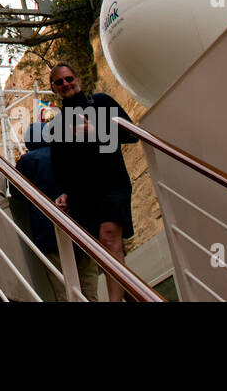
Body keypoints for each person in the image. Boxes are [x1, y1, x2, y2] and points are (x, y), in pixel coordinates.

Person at [47, 62, 139, 302]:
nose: (66, 84)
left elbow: (131, 134)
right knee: (107, 253)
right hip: (82, 196)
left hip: (112, 185)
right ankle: (140, 296)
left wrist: (97, 130)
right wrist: (63, 193)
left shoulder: (101, 103)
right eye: (60, 81)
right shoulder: (56, 126)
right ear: (54, 88)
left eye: (68, 78)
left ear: (77, 78)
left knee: (109, 240)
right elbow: (60, 168)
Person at [13, 121, 98, 301]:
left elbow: (16, 193)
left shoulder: (28, 161)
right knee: (88, 286)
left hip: (49, 233)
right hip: (82, 228)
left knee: (64, 290)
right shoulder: (69, 152)